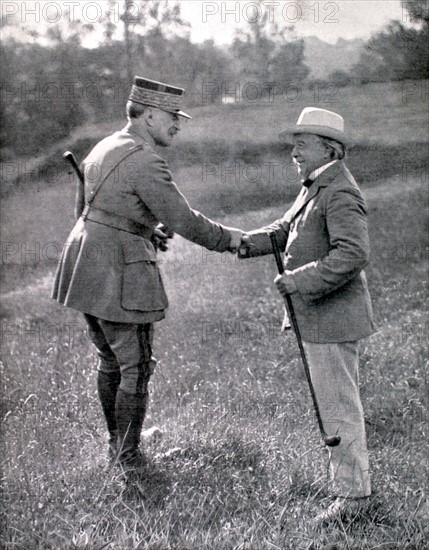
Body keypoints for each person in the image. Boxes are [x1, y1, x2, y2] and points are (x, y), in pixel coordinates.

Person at [52, 76, 243, 474]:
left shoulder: (105, 145)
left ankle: (117, 446)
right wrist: (232, 240)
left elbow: (88, 210)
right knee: (135, 366)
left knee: (110, 360)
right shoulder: (144, 159)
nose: (178, 124)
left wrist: (141, 228)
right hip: (119, 272)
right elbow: (184, 220)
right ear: (151, 115)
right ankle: (129, 458)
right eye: (173, 117)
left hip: (84, 265)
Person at [239, 107, 376, 522]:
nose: (294, 150)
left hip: (332, 317)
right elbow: (285, 230)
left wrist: (298, 280)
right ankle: (348, 491)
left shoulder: (340, 192)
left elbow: (353, 254)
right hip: (320, 318)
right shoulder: (317, 184)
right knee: (331, 404)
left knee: (338, 406)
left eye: (303, 142)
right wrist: (239, 242)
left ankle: (354, 501)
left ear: (329, 148)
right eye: (293, 143)